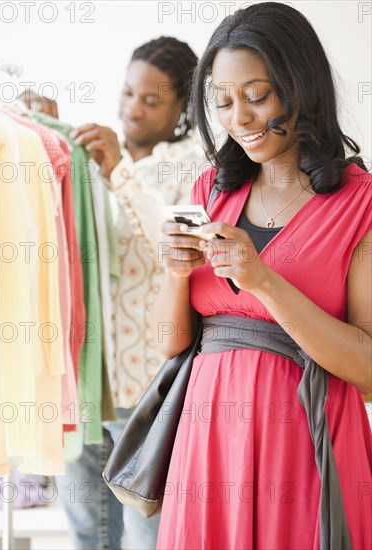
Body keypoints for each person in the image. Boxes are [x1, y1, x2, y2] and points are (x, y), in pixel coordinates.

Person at [151, 3, 372, 549]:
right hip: (206, 445)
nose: (239, 119)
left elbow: (369, 370)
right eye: (223, 103)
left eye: (256, 97)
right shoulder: (212, 191)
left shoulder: (360, 203)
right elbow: (171, 345)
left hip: (305, 441)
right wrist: (176, 274)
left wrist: (264, 281)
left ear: (301, 87)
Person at [56, 37, 203, 549]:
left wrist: (118, 170)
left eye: (150, 99)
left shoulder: (194, 165)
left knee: (149, 540)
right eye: (127, 93)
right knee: (87, 537)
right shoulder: (91, 159)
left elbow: (170, 240)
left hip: (151, 396)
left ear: (182, 106)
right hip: (88, 387)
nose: (130, 109)